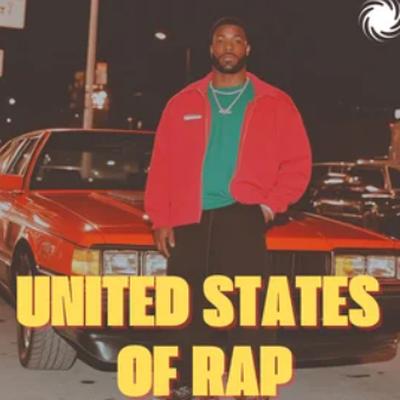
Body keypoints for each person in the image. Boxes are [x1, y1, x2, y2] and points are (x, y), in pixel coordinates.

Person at [145, 16, 312, 399]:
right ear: (211, 49)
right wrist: (161, 218)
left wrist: (269, 206)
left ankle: (249, 385)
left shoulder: (275, 102)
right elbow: (162, 165)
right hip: (188, 216)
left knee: (249, 308)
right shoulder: (182, 102)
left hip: (243, 214)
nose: (228, 46)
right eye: (221, 40)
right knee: (185, 306)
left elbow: (298, 164)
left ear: (247, 48)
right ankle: (187, 383)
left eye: (236, 40)